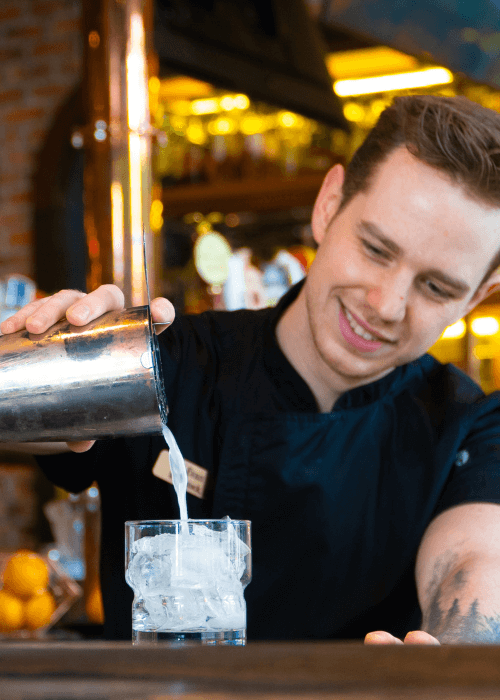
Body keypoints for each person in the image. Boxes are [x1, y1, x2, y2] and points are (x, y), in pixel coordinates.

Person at [4, 94, 500, 645]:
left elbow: (475, 564)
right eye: (376, 249)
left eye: (436, 286)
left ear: (480, 295)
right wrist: (42, 358)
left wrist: (455, 660)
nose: (386, 304)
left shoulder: (471, 423)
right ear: (329, 205)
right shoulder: (171, 364)